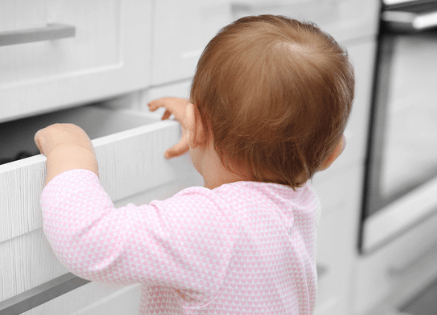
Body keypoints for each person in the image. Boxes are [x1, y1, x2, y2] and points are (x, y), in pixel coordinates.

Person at [34, 14, 354, 315]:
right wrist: (204, 119)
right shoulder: (299, 203)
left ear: (197, 128)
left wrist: (72, 153)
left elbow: (88, 242)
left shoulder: (213, 224)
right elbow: (301, 134)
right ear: (330, 156)